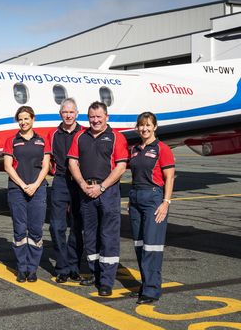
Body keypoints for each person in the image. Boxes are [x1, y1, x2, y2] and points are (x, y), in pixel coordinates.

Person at [67, 101, 128, 297]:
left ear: (106, 117)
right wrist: (82, 184)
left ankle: (106, 281)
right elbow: (72, 162)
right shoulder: (80, 136)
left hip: (108, 192)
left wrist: (101, 187)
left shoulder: (116, 137)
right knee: (90, 235)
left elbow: (121, 167)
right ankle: (95, 273)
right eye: (92, 117)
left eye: (99, 117)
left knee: (108, 236)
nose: (95, 120)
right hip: (86, 191)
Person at [128, 112, 175, 304]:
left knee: (152, 246)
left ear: (155, 127)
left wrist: (166, 202)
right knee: (140, 245)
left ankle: (152, 290)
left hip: (153, 198)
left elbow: (169, 177)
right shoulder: (135, 149)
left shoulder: (162, 149)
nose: (144, 129)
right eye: (141, 125)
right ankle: (145, 284)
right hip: (135, 197)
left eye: (148, 125)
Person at [3, 106, 51, 283]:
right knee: (20, 230)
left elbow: (46, 166)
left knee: (36, 230)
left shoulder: (42, 140)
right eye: (20, 119)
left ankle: (32, 269)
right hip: (17, 190)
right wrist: (24, 186)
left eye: (26, 118)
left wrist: (35, 185)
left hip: (38, 189)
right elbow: (8, 166)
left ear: (33, 119)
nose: (23, 122)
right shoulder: (11, 140)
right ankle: (22, 268)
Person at [47, 98, 85, 283]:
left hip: (80, 183)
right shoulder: (53, 134)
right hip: (61, 182)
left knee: (77, 226)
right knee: (56, 226)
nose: (68, 115)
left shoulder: (85, 133)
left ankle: (74, 266)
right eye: (65, 112)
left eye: (71, 112)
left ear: (77, 114)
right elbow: (47, 159)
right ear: (60, 114)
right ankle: (62, 267)